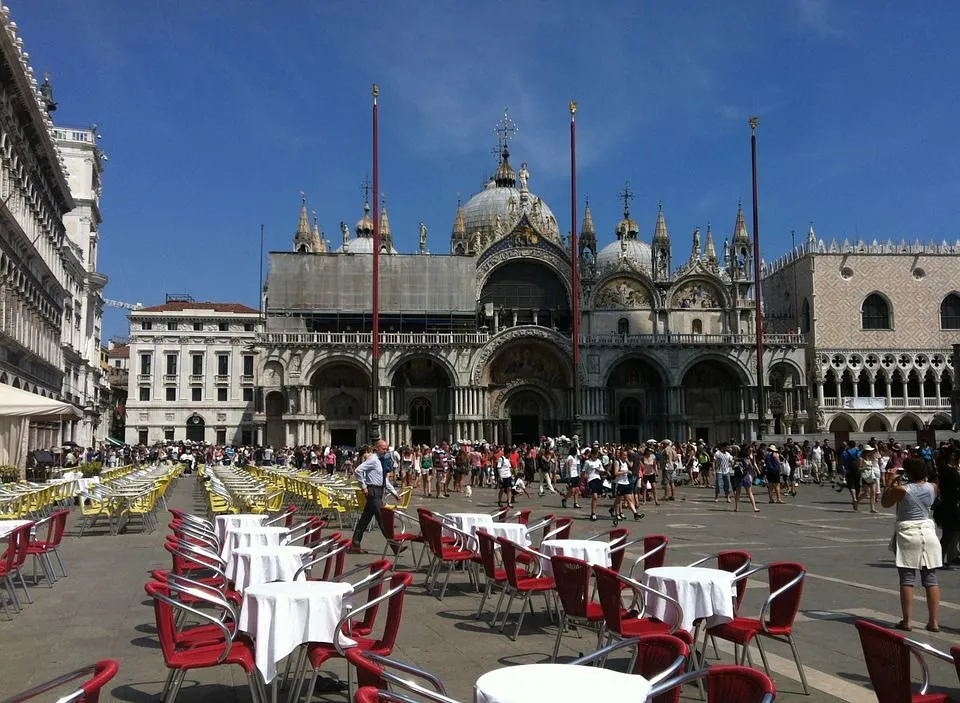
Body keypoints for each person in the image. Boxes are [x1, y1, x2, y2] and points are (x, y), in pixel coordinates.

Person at [881, 457, 942, 632]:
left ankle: (907, 621)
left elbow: (885, 503)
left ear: (907, 472)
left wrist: (889, 482)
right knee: (930, 578)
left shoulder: (902, 489)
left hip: (908, 534)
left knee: (907, 579)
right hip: (928, 533)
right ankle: (934, 622)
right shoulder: (933, 487)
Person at [350, 440, 400, 554]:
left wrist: (394, 493)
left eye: (386, 449)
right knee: (382, 518)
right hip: (372, 491)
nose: (386, 451)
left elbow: (383, 480)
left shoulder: (380, 461)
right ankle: (395, 546)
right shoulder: (372, 459)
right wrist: (363, 486)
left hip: (378, 491)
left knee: (365, 519)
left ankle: (355, 544)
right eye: (383, 449)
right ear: (376, 448)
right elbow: (358, 471)